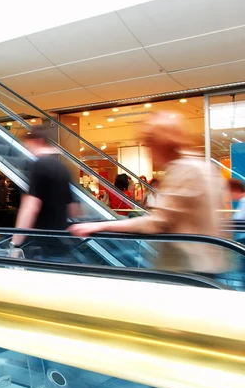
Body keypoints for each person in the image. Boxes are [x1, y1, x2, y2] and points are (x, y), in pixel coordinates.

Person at [70, 112, 231, 274]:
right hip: (207, 261)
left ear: (161, 143)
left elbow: (156, 223)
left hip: (188, 266)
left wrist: (100, 225)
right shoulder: (203, 165)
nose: (150, 152)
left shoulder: (183, 169)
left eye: (150, 145)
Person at [9, 126, 77, 260]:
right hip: (61, 245)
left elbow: (31, 207)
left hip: (42, 246)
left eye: (29, 144)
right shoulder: (63, 167)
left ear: (39, 141)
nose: (27, 149)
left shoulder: (37, 166)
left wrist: (15, 243)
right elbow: (74, 209)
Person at [228, 178, 245, 243]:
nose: (230, 195)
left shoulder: (243, 201)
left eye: (230, 192)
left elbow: (238, 220)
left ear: (236, 190)